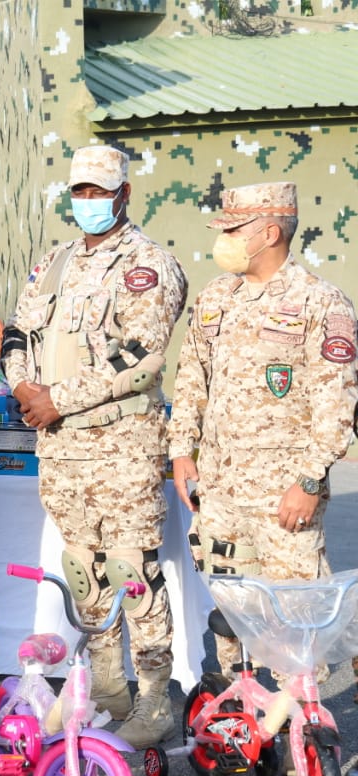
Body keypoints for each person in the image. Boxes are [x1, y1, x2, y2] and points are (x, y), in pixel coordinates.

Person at [1, 145, 188, 749]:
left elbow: (141, 355)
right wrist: (24, 385)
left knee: (132, 570)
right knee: (83, 571)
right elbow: (16, 331)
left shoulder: (149, 265)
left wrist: (58, 395)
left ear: (124, 195)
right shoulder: (52, 263)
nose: (88, 202)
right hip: (60, 448)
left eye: (100, 192)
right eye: (80, 191)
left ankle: (156, 696)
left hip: (123, 444)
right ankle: (107, 690)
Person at [168, 182, 357, 676]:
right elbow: (191, 376)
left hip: (283, 498)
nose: (224, 238)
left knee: (295, 631)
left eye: (234, 229)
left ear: (269, 232)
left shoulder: (321, 303)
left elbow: (337, 406)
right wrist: (181, 449)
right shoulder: (215, 297)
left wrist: (310, 481)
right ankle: (240, 732)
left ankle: (303, 740)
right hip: (218, 492)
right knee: (232, 621)